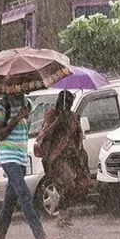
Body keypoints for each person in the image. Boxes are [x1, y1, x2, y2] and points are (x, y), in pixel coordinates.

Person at [0, 94, 60, 239]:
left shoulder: (27, 103)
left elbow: (26, 130)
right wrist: (17, 118)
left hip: (22, 157)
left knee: (10, 199)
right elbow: (0, 134)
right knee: (24, 195)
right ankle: (41, 238)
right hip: (9, 157)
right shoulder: (1, 105)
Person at [35, 90, 91, 227]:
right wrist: (58, 122)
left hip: (72, 156)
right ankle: (62, 214)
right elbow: (44, 134)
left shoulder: (73, 117)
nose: (69, 105)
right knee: (68, 184)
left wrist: (80, 154)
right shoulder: (52, 115)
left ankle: (64, 214)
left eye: (71, 103)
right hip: (57, 157)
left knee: (78, 187)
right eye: (68, 102)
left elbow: (79, 136)